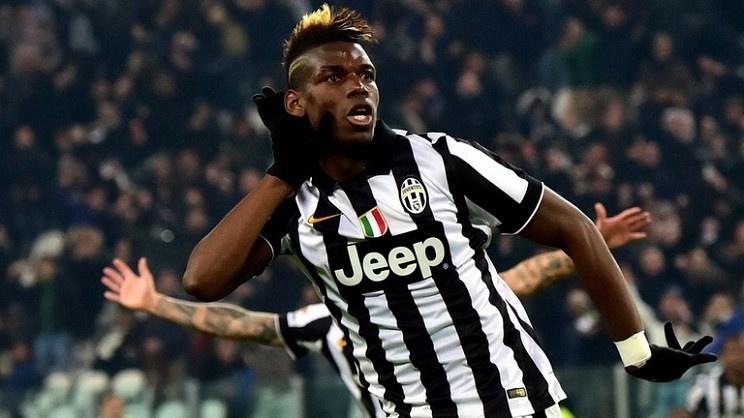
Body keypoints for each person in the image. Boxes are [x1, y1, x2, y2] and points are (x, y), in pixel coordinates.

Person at [180, 5, 714, 417]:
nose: (358, 87)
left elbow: (576, 228)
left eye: (366, 74)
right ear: (295, 104)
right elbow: (202, 281)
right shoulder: (291, 202)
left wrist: (637, 352)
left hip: (512, 400)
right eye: (334, 78)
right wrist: (283, 173)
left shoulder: (440, 158)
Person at [102, 203, 651, 418]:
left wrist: (587, 243)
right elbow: (245, 326)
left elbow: (523, 278)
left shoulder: (434, 294)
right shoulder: (322, 324)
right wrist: (155, 304)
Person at [676, 314, 744, 418]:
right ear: (723, 357)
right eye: (733, 353)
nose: (738, 359)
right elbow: (686, 412)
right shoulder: (707, 384)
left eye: (741, 353)